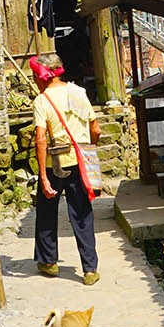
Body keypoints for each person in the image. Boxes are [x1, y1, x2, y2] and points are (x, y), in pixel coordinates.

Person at [30, 53, 101, 284]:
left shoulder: (42, 101)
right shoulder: (79, 92)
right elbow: (96, 129)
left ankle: (49, 262)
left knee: (47, 212)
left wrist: (43, 177)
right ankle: (90, 270)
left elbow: (40, 139)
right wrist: (88, 150)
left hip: (54, 165)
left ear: (42, 76)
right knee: (81, 214)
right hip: (79, 162)